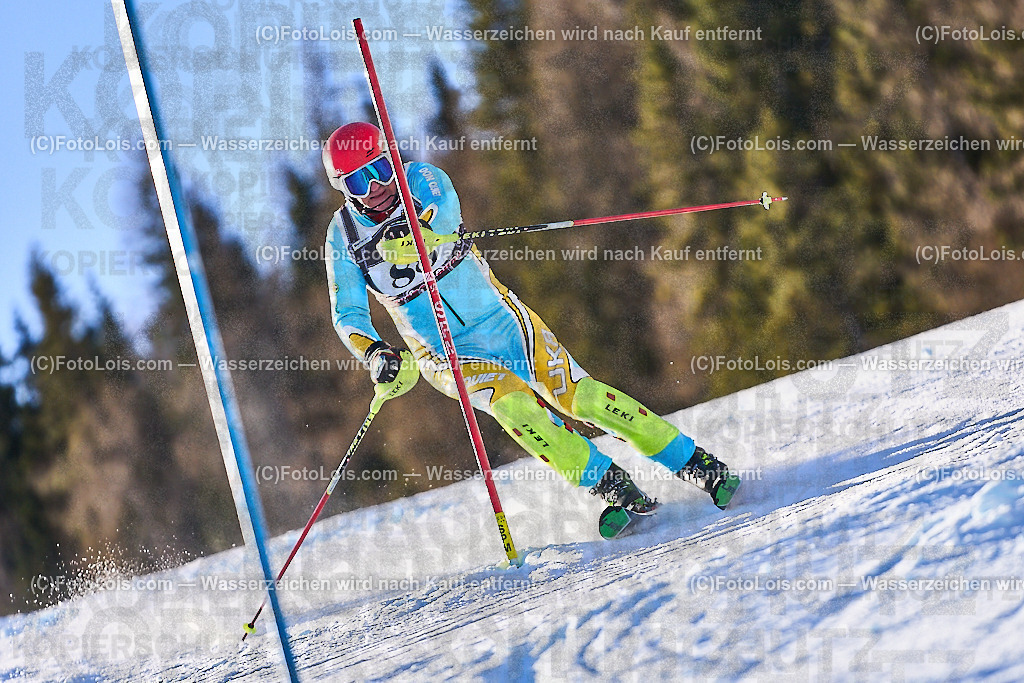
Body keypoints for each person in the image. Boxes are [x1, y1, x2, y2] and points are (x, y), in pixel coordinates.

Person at [322, 121, 738, 515]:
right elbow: (348, 312)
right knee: (515, 407)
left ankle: (693, 460)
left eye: (379, 169)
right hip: (442, 353)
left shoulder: (420, 178)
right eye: (360, 180)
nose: (376, 186)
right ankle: (608, 483)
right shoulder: (343, 237)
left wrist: (424, 234)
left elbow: (444, 209)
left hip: (503, 321)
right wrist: (375, 353)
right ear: (344, 189)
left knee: (582, 397)